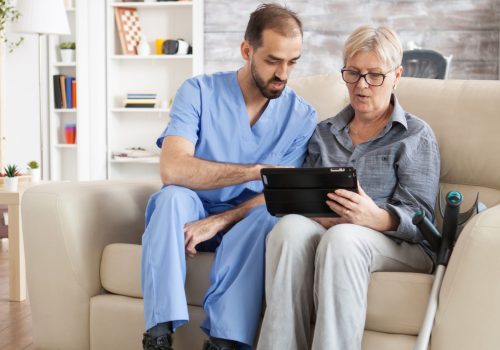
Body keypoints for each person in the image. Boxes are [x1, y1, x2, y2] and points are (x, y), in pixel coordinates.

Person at [141, 4, 317, 350]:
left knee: (270, 212)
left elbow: (276, 193)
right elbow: (173, 168)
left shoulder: (301, 117)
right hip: (189, 212)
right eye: (273, 60)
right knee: (171, 196)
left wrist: (219, 221)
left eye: (292, 62)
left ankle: (224, 342)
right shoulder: (199, 92)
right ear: (246, 50)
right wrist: (255, 171)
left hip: (245, 223)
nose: (283, 73)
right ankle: (158, 334)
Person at [257, 25, 440, 350]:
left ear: (396, 76)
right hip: (332, 232)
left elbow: (422, 221)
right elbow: (304, 196)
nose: (361, 85)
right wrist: (312, 213)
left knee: (343, 238)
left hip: (396, 243)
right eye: (353, 73)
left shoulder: (415, 136)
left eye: (374, 75)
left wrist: (377, 217)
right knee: (288, 230)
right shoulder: (323, 133)